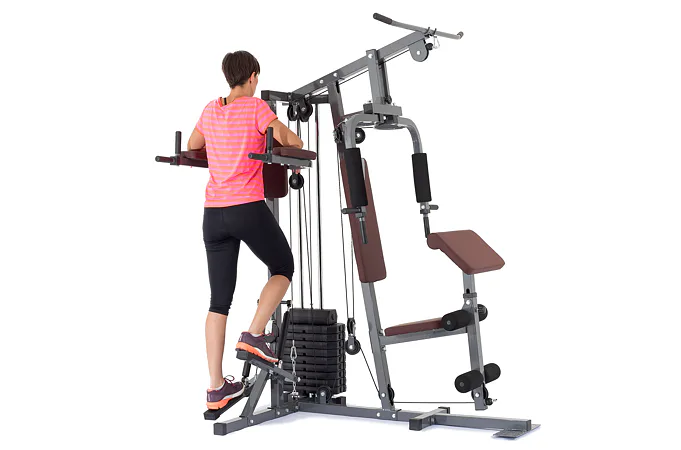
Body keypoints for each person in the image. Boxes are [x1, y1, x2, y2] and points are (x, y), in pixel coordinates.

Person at [187, 50, 304, 410]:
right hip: (246, 209)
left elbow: (193, 146)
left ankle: (216, 387)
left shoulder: (211, 109)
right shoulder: (255, 108)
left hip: (213, 214)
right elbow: (293, 142)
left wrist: (222, 147)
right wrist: (277, 134)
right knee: (283, 266)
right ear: (252, 76)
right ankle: (254, 335)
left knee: (218, 301)